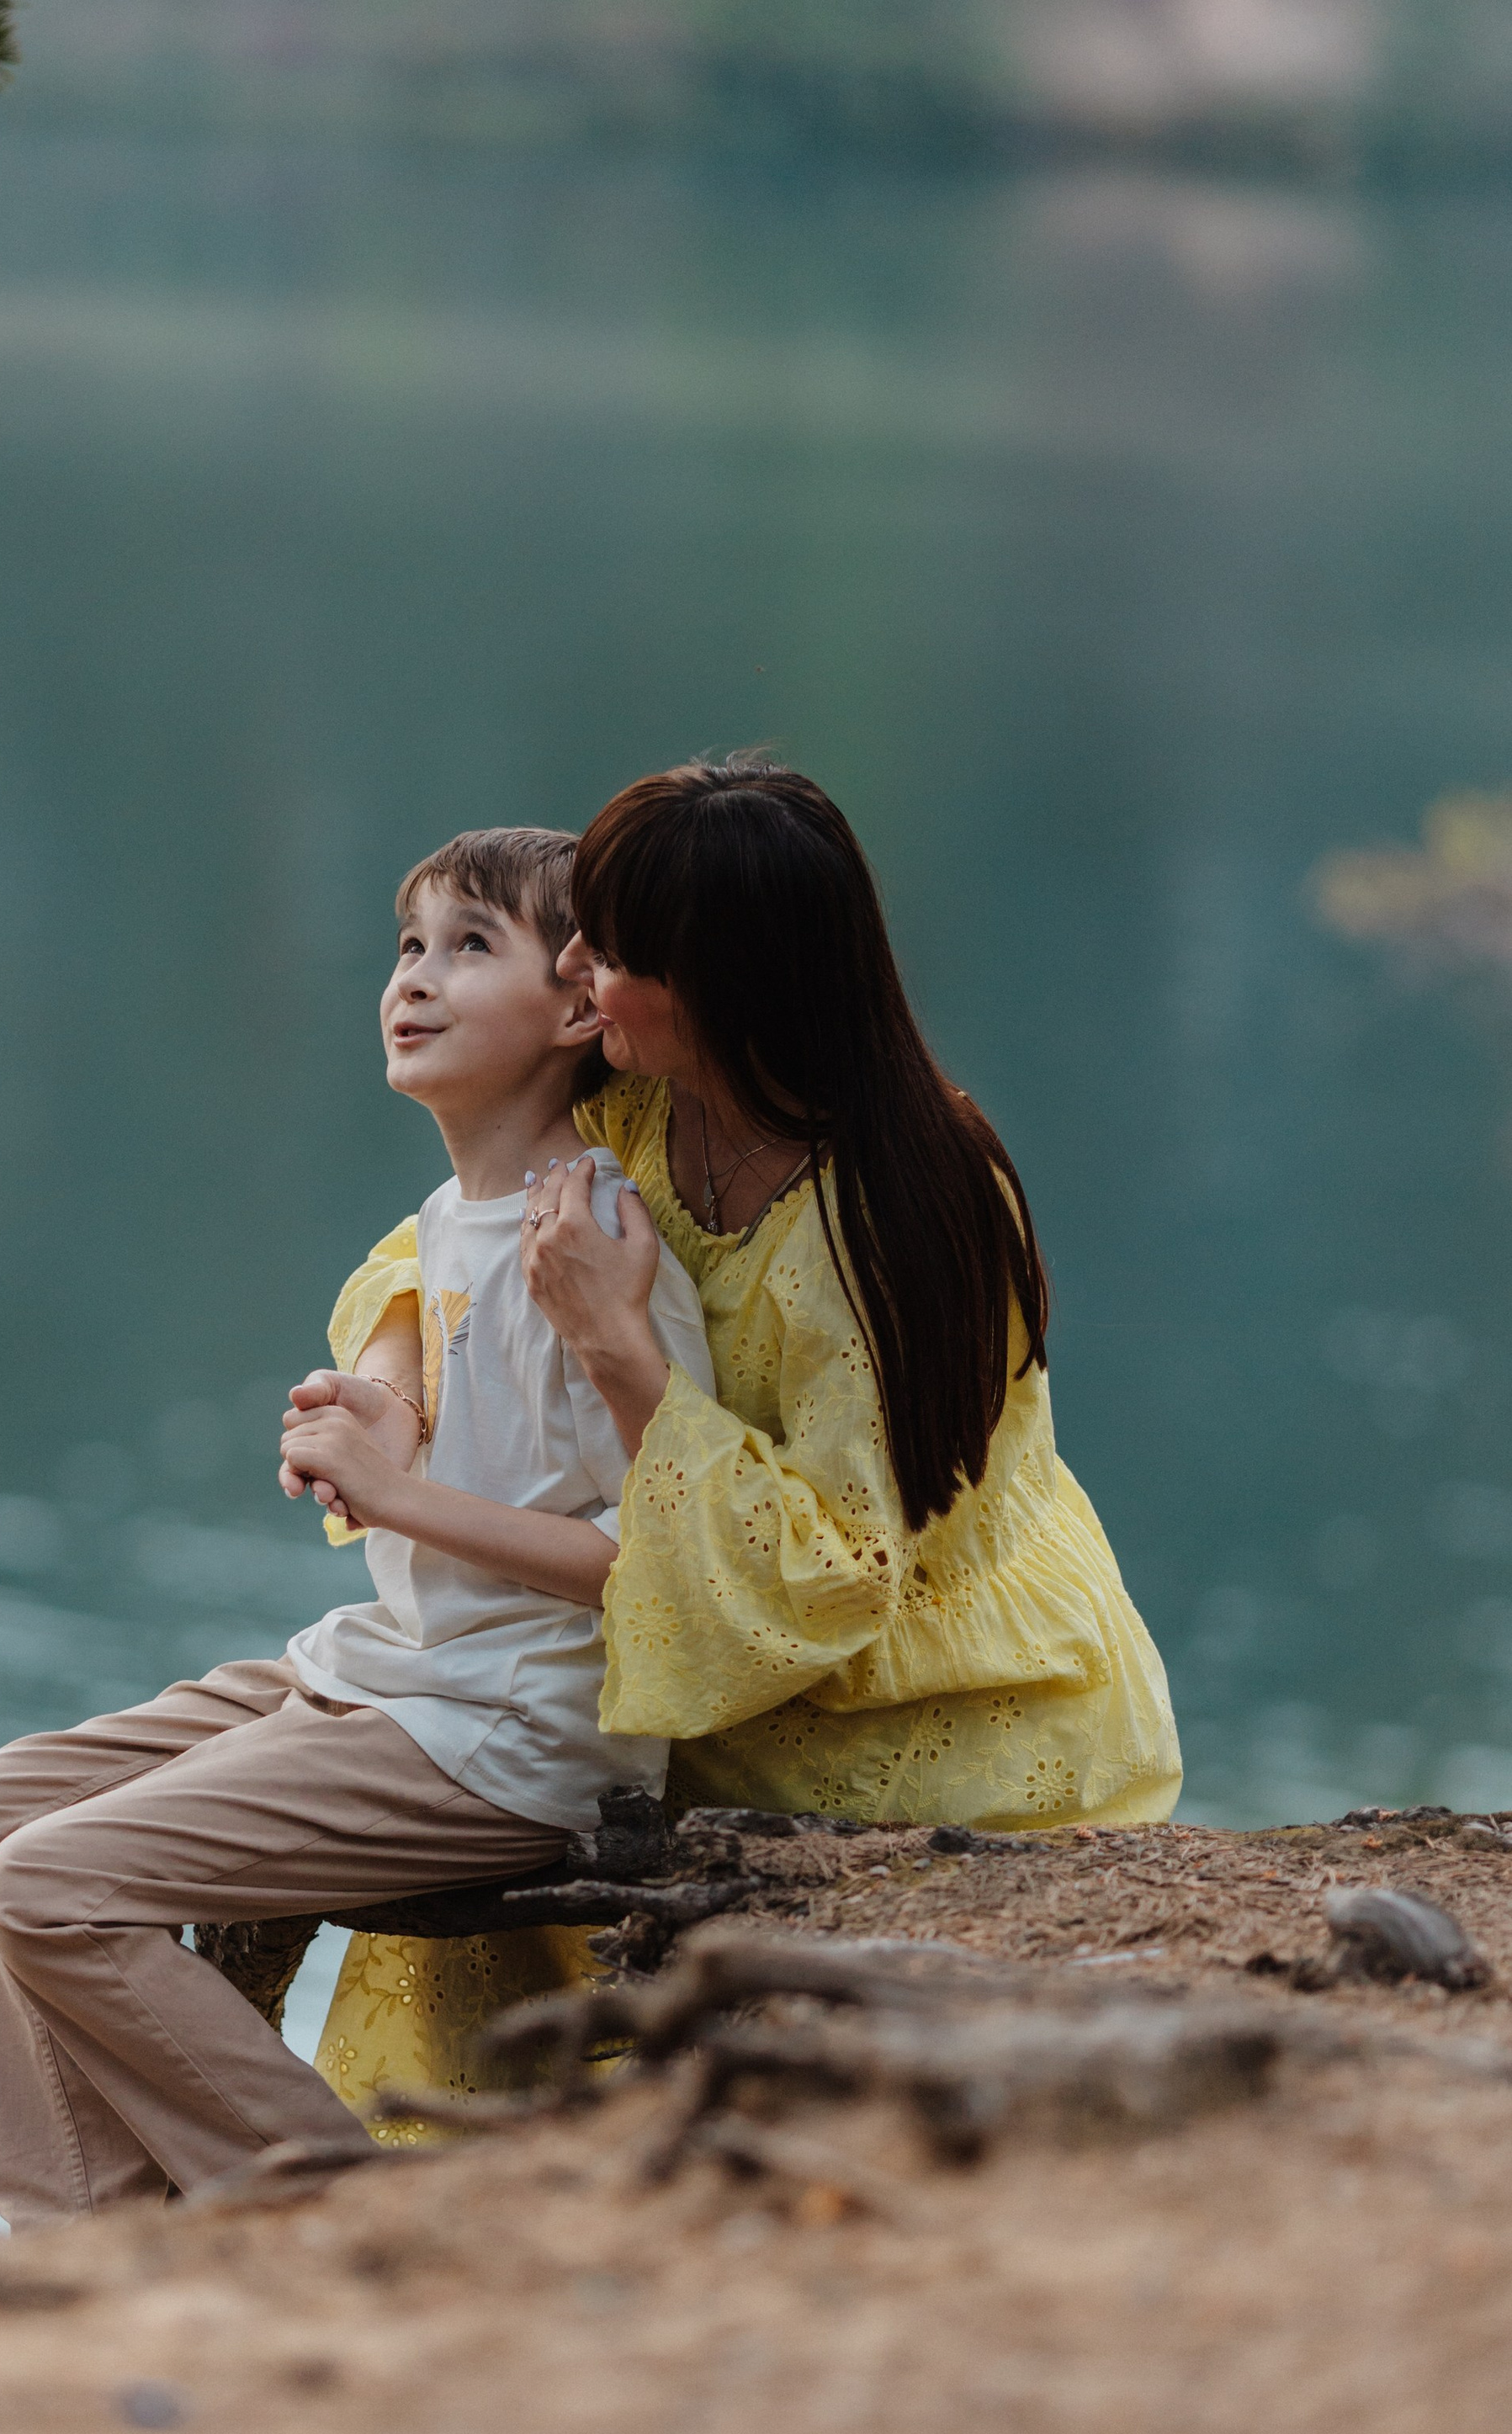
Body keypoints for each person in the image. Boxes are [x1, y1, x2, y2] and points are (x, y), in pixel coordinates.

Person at [0, 828, 712, 2220]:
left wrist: (401, 1492)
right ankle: (90, 2245)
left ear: (578, 1010)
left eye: (471, 947)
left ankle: (341, 2226)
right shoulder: (453, 1221)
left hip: (510, 1730)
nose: (414, 978)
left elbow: (655, 1567)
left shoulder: (597, 1243)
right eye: (409, 945)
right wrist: (384, 1416)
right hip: (398, 1673)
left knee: (53, 1888)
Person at [327, 761, 1181, 1834]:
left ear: (714, 986)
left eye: (611, 953)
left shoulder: (899, 1212)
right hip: (666, 1713)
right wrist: (392, 1394)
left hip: (931, 1741)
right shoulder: (640, 1105)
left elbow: (830, 1578)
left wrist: (615, 1344)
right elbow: (439, 1248)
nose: (574, 967)